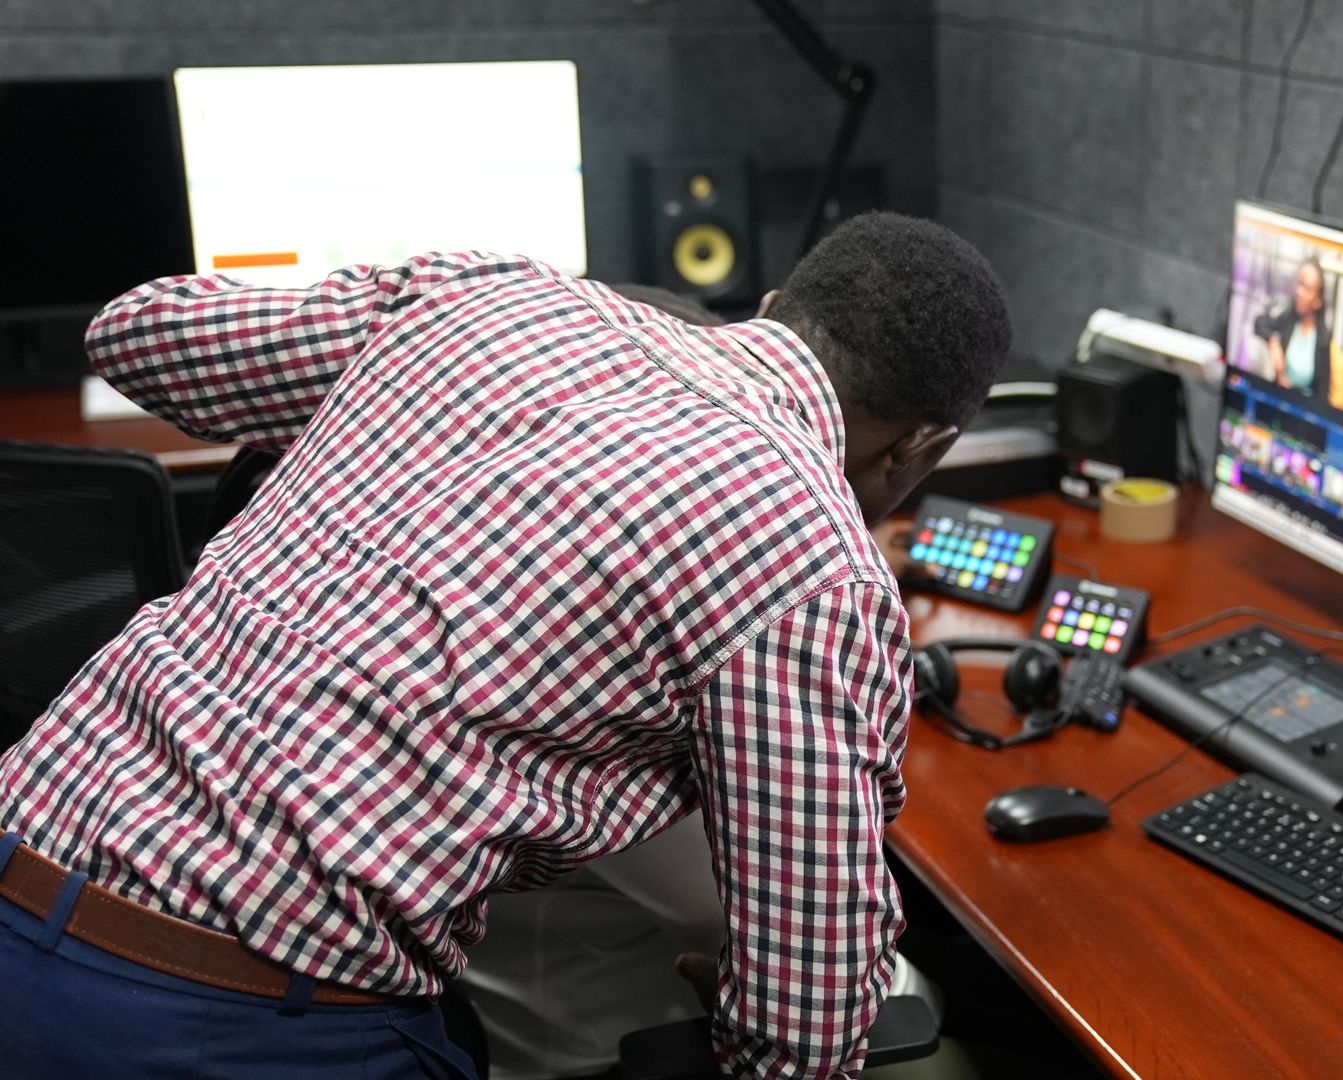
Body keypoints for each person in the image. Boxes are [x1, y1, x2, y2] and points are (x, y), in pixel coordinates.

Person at [0, 211, 1012, 1079]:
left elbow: (135, 333)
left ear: (781, 300)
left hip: (17, 865)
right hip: (237, 1024)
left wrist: (375, 402)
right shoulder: (816, 562)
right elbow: (809, 1021)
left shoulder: (492, 299)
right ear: (926, 444)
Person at [1253, 257, 1343, 413]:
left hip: (1304, 412)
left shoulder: (1323, 340)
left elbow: (1322, 393)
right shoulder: (1287, 317)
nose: (1299, 292)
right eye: (1299, 284)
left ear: (1318, 300)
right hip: (1276, 402)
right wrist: (1272, 342)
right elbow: (1259, 322)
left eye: (1306, 288)